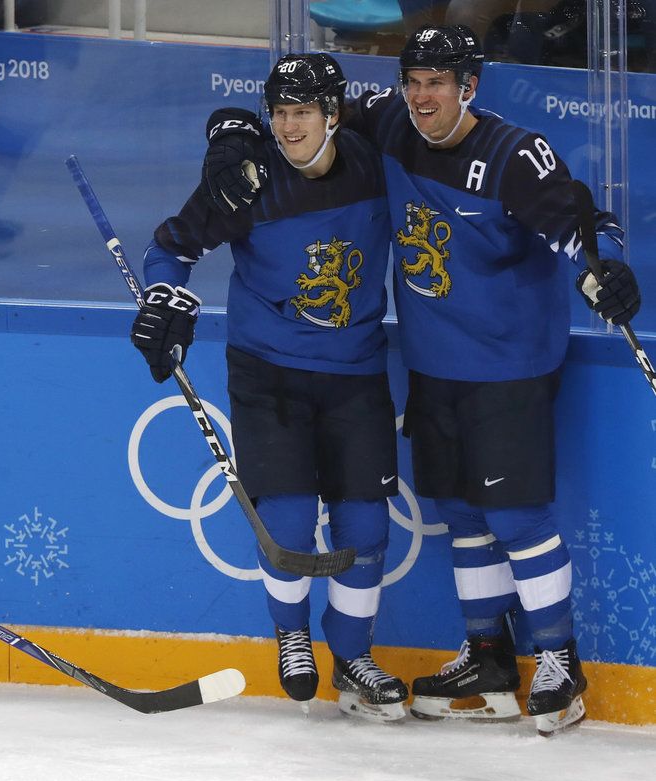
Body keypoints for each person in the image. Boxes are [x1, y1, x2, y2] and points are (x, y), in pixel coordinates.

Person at [202, 25, 641, 736]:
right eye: (414, 79)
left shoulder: (513, 154)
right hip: (434, 368)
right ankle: (491, 659)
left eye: (438, 81)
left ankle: (560, 658)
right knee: (463, 516)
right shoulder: (389, 119)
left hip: (507, 367)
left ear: (470, 86)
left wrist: (600, 268)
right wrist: (229, 133)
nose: (423, 94)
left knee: (516, 517)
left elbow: (572, 220)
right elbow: (301, 105)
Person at [131, 54, 409, 722]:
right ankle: (291, 635)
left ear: (333, 115)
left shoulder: (375, 162)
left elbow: (426, 113)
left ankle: (353, 655)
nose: (288, 128)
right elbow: (169, 248)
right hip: (269, 372)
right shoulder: (248, 180)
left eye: (303, 113)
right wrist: (164, 296)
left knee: (366, 525)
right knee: (285, 523)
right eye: (279, 113)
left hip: (356, 370)